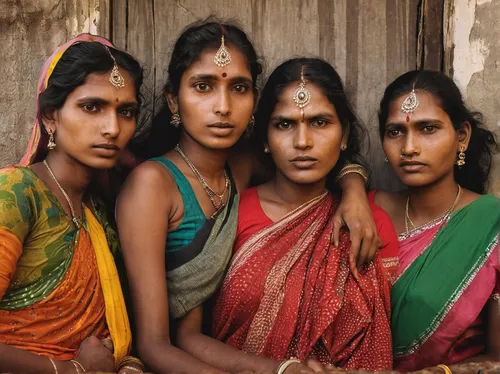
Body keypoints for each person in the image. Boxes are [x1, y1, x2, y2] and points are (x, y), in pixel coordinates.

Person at [116, 21, 379, 374]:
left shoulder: (240, 166)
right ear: (173, 100)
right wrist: (275, 371)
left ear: (254, 100)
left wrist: (354, 189)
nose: (223, 106)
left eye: (238, 87)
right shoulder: (153, 184)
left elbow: (318, 167)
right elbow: (153, 344)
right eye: (203, 86)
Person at [213, 57, 399, 372]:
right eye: (285, 124)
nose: (302, 142)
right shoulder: (231, 214)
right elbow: (190, 334)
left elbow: (376, 344)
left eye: (320, 122)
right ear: (266, 139)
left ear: (344, 135)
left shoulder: (368, 225)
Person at [0, 34, 146, 374]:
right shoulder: (18, 192)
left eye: (126, 111)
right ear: (51, 117)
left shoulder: (100, 211)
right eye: (91, 107)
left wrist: (129, 365)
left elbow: (116, 335)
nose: (112, 128)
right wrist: (70, 369)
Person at [372, 70, 500, 371]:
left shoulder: (491, 224)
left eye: (427, 129)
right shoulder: (363, 209)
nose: (409, 148)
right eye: (395, 132)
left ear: (462, 136)